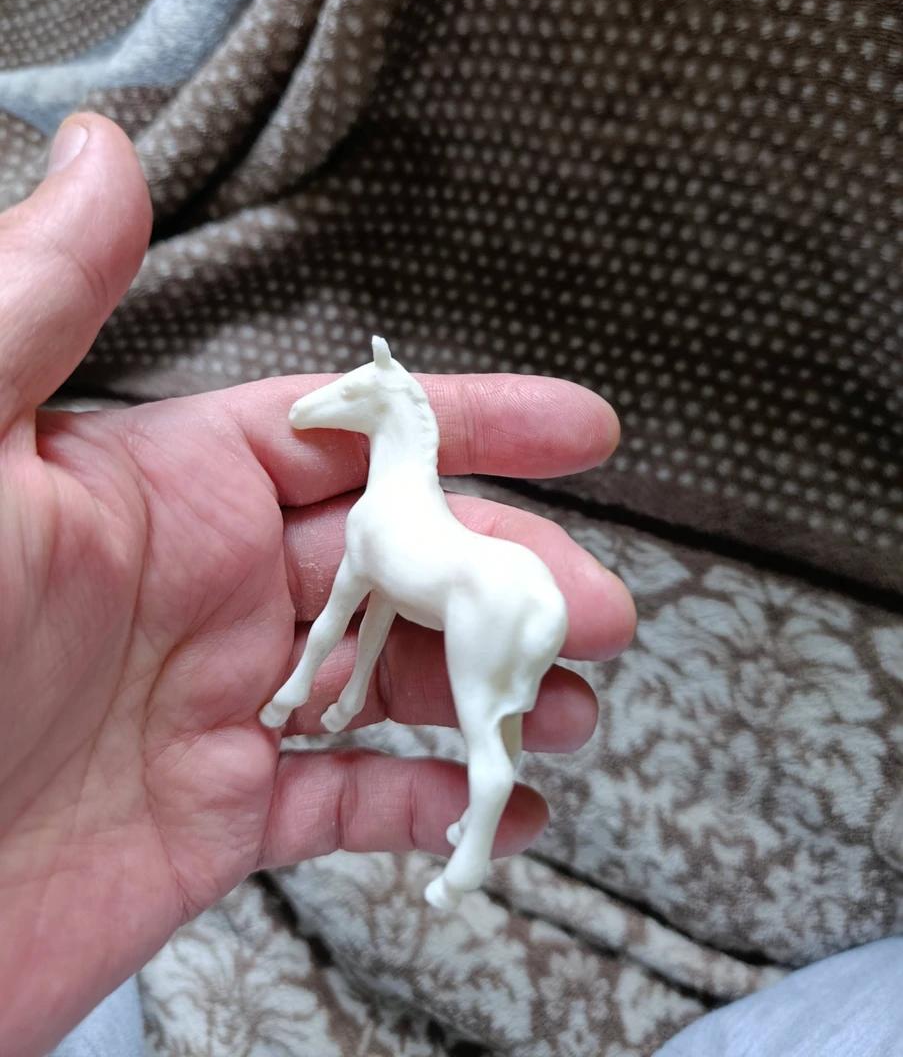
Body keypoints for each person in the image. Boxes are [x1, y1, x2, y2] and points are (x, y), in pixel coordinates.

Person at [0, 114, 635, 1057]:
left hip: (448, 585)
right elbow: (364, 607)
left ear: (379, 401)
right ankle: (441, 811)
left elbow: (348, 602)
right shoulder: (395, 512)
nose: (324, 405)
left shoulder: (383, 520)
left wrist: (307, 682)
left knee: (483, 724)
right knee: (489, 718)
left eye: (348, 396)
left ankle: (463, 841)